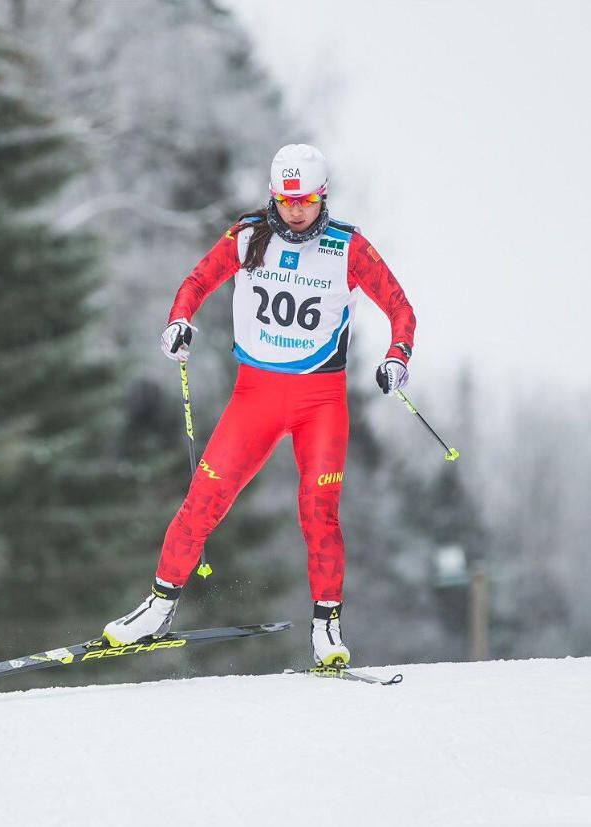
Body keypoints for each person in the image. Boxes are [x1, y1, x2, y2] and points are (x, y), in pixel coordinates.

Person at [103, 144, 416, 666]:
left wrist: (396, 357)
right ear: (273, 196)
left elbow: (401, 308)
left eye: (307, 200)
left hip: (321, 401)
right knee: (202, 500)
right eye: (286, 200)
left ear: (323, 197)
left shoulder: (349, 247)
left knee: (319, 514)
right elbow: (198, 280)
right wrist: (178, 320)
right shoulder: (249, 234)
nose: (296, 211)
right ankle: (158, 607)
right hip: (256, 397)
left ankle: (327, 628)